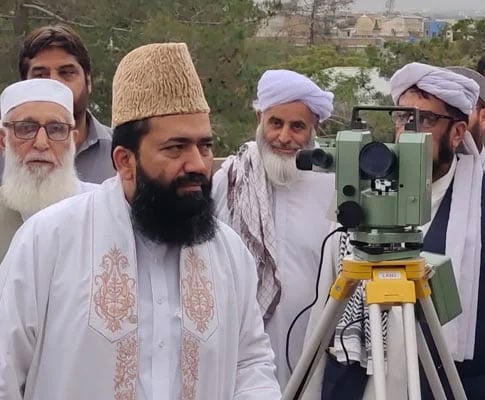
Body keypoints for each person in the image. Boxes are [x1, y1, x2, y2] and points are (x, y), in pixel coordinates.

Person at [0, 42, 281, 399]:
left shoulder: (228, 252)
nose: (197, 164)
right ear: (124, 161)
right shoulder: (48, 240)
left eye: (205, 146)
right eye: (175, 148)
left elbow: (251, 364)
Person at [312, 62, 485, 400]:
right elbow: (327, 299)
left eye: (424, 120)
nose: (407, 131)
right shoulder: (361, 187)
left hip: (442, 383)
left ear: (457, 133)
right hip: (362, 382)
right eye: (402, 118)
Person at [211, 69, 336, 389]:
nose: (284, 137)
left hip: (314, 343)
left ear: (314, 129)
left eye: (297, 127)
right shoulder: (231, 179)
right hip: (239, 342)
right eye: (275, 123)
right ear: (259, 118)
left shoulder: (333, 185)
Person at [0, 24, 114, 184]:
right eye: (40, 75)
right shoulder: (5, 149)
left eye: (66, 73)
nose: (55, 83)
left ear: (88, 82)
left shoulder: (121, 153)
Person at [0, 79, 98, 260]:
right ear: (3, 141)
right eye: (26, 128)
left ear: (73, 141)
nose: (41, 143)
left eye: (56, 129)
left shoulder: (103, 208)